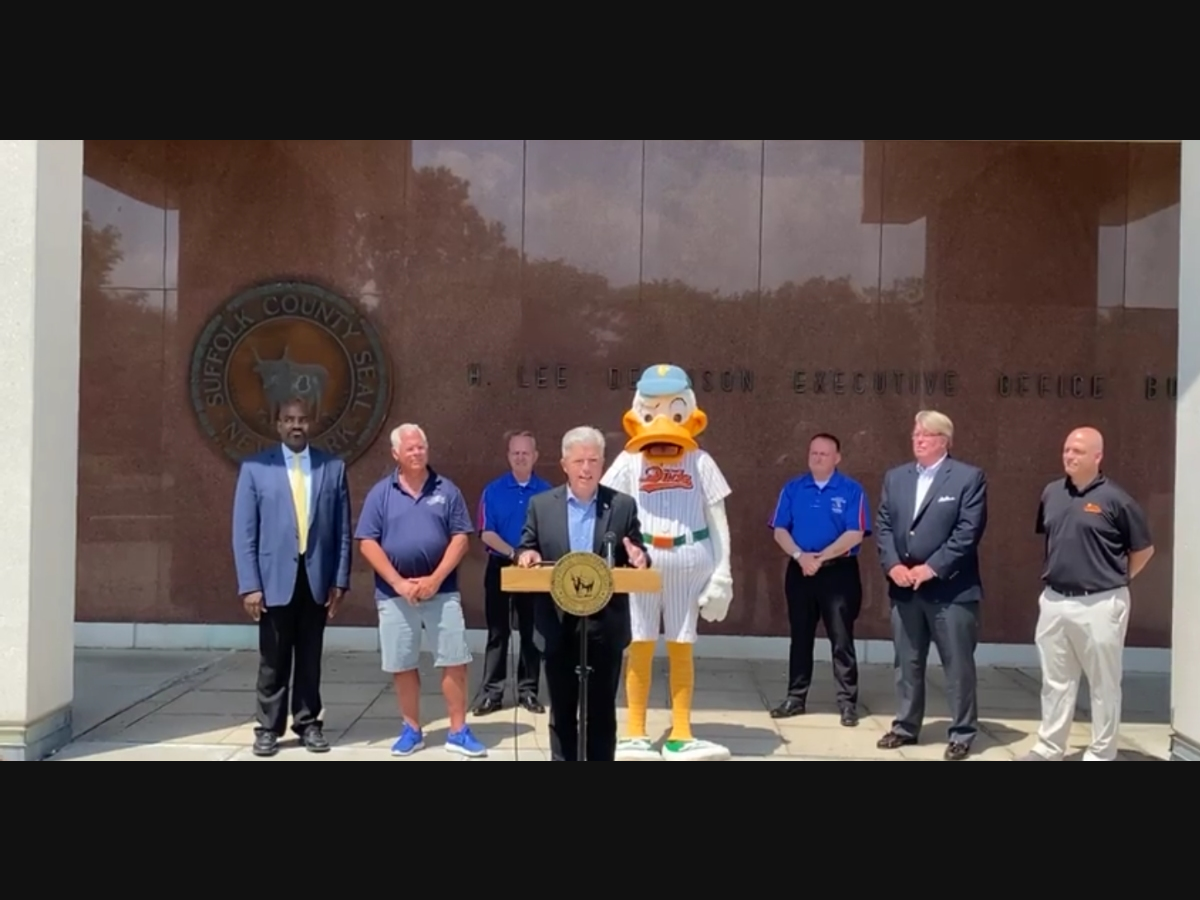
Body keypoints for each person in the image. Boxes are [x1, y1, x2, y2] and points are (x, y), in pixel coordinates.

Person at [600, 364, 735, 762]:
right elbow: (606, 510)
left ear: (691, 413)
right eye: (651, 408)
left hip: (691, 558)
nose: (662, 419)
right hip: (643, 560)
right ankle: (635, 733)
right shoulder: (629, 462)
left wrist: (724, 574)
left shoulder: (700, 461)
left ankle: (681, 733)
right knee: (638, 644)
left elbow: (718, 519)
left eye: (672, 410)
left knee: (681, 645)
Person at [1019, 427, 1155, 762]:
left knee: (1103, 684)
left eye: (1078, 451)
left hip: (1100, 603)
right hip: (1054, 601)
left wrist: (1115, 580)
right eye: (1066, 449)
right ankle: (1049, 747)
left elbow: (1144, 549)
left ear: (1098, 456)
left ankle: (1100, 753)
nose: (1069, 456)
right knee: (1056, 682)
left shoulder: (1116, 499)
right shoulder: (1051, 492)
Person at [516, 426, 650, 762]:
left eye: (593, 460)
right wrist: (525, 556)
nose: (586, 468)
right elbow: (526, 545)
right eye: (579, 461)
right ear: (564, 464)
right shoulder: (541, 505)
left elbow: (637, 550)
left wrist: (640, 558)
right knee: (562, 712)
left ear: (603, 463)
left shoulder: (622, 506)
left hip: (605, 626)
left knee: (602, 712)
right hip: (558, 625)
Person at [355, 424, 486, 759]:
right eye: (410, 448)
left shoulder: (447, 490)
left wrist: (435, 579)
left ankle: (458, 731)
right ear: (395, 453)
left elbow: (460, 538)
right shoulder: (381, 494)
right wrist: (398, 582)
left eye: (421, 447)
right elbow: (368, 542)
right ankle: (411, 730)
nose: (416, 452)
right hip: (394, 595)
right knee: (402, 664)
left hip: (442, 593)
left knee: (454, 660)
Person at [231, 398, 352, 758]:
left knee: (311, 656)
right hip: (272, 580)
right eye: (288, 419)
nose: (296, 425)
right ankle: (268, 727)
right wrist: (250, 584)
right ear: (278, 424)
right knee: (273, 657)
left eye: (301, 419)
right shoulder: (255, 469)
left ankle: (308, 722)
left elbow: (343, 530)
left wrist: (340, 579)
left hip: (316, 578)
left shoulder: (332, 467)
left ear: (311, 423)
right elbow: (244, 532)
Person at [875, 410, 988, 761]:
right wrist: (892, 565)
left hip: (951, 592)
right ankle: (906, 726)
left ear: (944, 440)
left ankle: (962, 732)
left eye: (926, 434)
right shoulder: (896, 478)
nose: (918, 439)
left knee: (957, 665)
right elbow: (883, 525)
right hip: (905, 589)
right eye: (915, 434)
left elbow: (967, 533)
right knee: (907, 663)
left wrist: (932, 568)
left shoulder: (968, 478)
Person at [768, 433, 871, 728]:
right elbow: (779, 530)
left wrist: (821, 558)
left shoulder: (852, 490)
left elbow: (855, 532)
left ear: (837, 458)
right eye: (813, 452)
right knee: (800, 637)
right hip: (801, 571)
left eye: (824, 454)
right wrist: (802, 557)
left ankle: (847, 703)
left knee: (841, 638)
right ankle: (795, 698)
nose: (817, 457)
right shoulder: (793, 488)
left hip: (838, 573)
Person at [473, 431, 552, 716]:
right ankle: (492, 694)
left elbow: (551, 531)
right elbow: (486, 532)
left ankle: (528, 692)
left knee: (532, 633)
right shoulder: (492, 491)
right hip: (500, 566)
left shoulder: (547, 491)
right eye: (515, 453)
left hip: (533, 570)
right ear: (508, 456)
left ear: (535, 456)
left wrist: (529, 556)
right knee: (498, 632)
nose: (520, 457)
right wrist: (513, 553)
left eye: (525, 453)